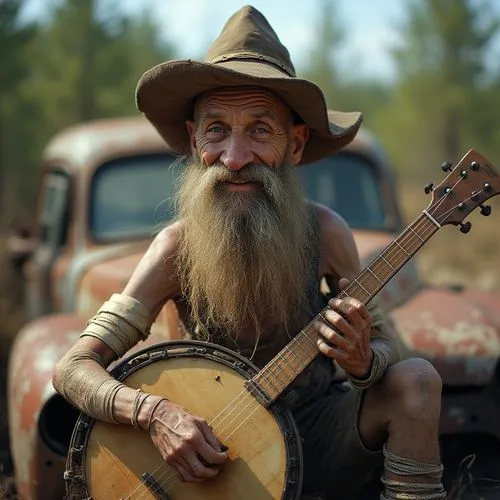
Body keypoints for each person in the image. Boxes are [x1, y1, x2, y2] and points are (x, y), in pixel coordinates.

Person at [53, 5, 446, 499]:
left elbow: (394, 347)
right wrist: (156, 414)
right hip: (211, 455)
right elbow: (72, 368)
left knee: (418, 380)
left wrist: (366, 358)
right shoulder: (175, 249)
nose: (235, 159)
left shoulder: (326, 233)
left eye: (260, 130)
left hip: (317, 433)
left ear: (296, 145)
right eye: (217, 130)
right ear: (196, 141)